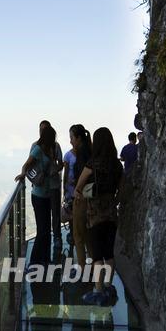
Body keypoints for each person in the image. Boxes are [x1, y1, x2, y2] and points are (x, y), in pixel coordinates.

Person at [75, 127, 123, 305]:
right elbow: (121, 191)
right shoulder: (117, 165)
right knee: (109, 253)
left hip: (94, 215)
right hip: (111, 214)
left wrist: (84, 197)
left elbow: (79, 187)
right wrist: (112, 200)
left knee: (96, 255)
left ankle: (98, 290)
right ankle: (109, 287)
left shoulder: (92, 164)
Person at [16, 124, 59, 267]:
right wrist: (23, 174)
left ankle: (45, 259)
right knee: (42, 230)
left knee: (46, 230)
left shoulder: (49, 149)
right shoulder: (38, 150)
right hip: (38, 196)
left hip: (46, 194)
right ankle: (34, 262)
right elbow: (27, 165)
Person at [63, 125, 92, 271]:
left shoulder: (81, 155)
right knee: (87, 234)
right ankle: (93, 265)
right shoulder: (89, 152)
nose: (70, 141)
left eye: (72, 138)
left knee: (78, 234)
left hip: (81, 198)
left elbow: (84, 176)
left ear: (78, 138)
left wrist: (75, 188)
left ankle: (82, 267)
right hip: (90, 198)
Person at [31, 120, 63, 249]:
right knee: (44, 220)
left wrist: (55, 168)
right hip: (41, 187)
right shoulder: (36, 146)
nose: (42, 132)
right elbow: (30, 165)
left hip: (54, 185)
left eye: (44, 130)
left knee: (55, 213)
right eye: (41, 129)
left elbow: (60, 163)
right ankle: (47, 244)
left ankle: (56, 237)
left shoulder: (56, 146)